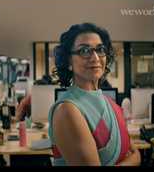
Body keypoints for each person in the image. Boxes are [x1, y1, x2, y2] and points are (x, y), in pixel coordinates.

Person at [48, 23, 140, 166]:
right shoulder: (67, 110)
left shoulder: (110, 103)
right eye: (84, 50)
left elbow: (133, 150)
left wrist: (134, 157)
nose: (95, 58)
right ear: (68, 61)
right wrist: (132, 160)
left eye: (100, 49)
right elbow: (134, 155)